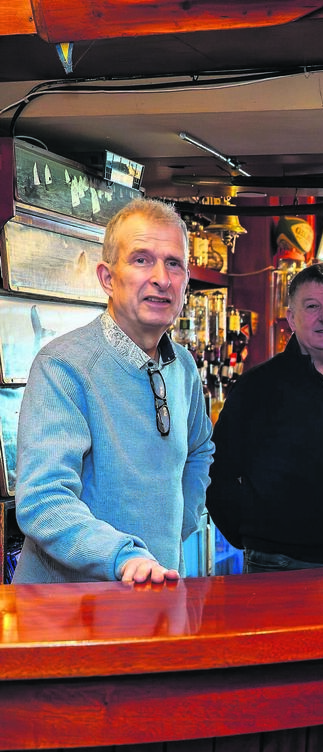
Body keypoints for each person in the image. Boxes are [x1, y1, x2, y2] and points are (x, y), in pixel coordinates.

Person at [14, 198, 214, 584]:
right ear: (107, 278)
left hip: (155, 594)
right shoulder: (64, 365)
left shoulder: (184, 366)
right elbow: (43, 499)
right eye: (141, 259)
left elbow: (200, 449)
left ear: (186, 281)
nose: (161, 277)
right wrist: (124, 558)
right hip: (71, 614)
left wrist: (176, 526)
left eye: (174, 263)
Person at [206, 262, 323, 572]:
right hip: (279, 564)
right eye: (311, 307)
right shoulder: (259, 385)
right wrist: (252, 536)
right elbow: (216, 470)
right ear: (291, 319)